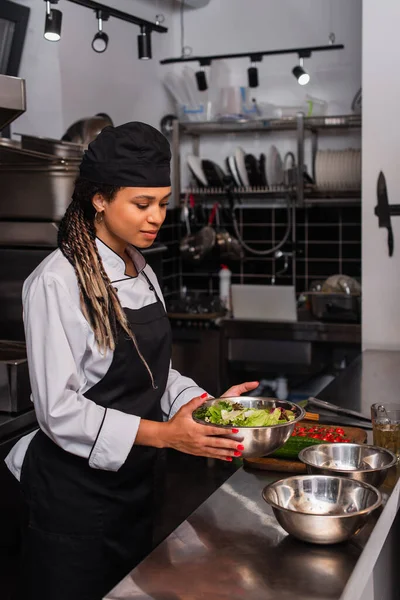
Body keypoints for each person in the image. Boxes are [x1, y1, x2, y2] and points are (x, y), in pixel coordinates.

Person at [5, 122, 257, 600]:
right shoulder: (56, 282)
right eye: (142, 204)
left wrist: (206, 408)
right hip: (74, 500)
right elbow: (59, 411)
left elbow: (153, 376)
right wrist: (167, 435)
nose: (157, 216)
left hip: (137, 487)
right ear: (99, 198)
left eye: (163, 203)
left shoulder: (141, 270)